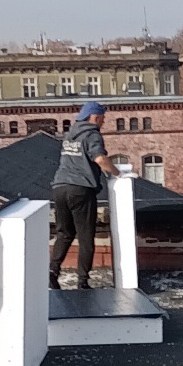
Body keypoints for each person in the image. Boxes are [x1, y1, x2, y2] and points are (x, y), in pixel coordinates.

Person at [50, 102, 117, 289]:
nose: (103, 123)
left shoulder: (69, 134)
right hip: (81, 189)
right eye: (103, 119)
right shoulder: (92, 134)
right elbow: (100, 159)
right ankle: (82, 281)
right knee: (86, 237)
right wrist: (118, 173)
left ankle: (52, 272)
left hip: (60, 187)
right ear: (94, 117)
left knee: (64, 233)